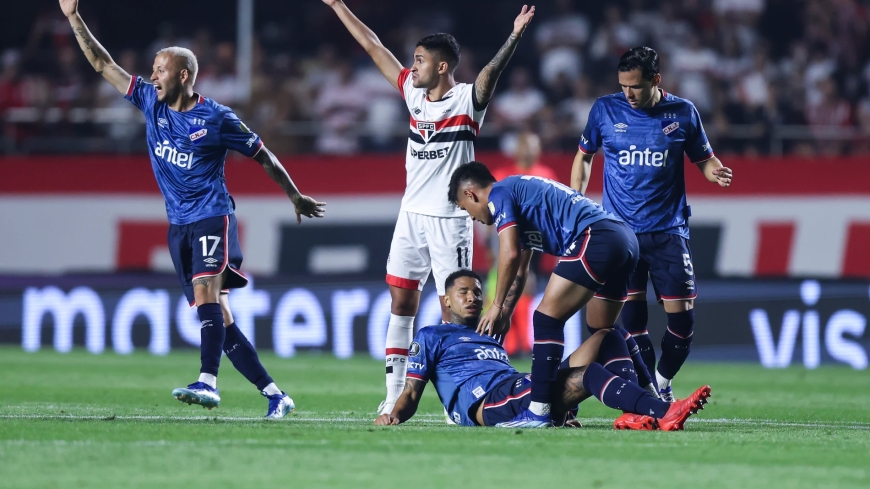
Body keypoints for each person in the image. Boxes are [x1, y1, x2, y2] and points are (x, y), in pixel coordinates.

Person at [59, 0, 325, 418]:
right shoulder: (151, 102)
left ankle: (207, 382)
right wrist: (74, 18)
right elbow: (102, 64)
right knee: (219, 316)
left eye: (159, 69)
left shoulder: (218, 118)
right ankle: (276, 394)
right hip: (178, 225)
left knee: (206, 291)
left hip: (211, 215)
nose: (151, 76)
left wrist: (295, 195)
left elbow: (263, 155)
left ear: (183, 75)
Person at [322, 0, 536, 415]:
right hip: (410, 217)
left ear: (442, 67)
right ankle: (393, 393)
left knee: (454, 311)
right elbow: (373, 46)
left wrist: (513, 36)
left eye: (420, 60)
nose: (412, 66)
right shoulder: (411, 95)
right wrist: (339, 7)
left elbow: (490, 75)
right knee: (401, 303)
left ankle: (462, 386)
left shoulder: (465, 102)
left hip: (449, 223)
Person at [570, 47, 732, 402]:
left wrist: (714, 172)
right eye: (623, 86)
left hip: (668, 232)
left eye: (636, 87)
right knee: (631, 322)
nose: (628, 94)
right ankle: (652, 392)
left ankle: (662, 378)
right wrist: (577, 201)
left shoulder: (683, 113)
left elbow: (704, 159)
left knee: (683, 321)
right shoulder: (605, 110)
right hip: (620, 235)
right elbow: (584, 157)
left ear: (656, 81)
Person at [448, 162, 657, 428]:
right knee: (604, 330)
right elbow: (521, 269)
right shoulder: (519, 195)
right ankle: (650, 399)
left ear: (470, 194)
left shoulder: (499, 194)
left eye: (466, 210)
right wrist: (507, 312)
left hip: (594, 236)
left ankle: (538, 410)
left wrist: (496, 305)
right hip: (623, 238)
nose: (472, 217)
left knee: (547, 320)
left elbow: (509, 253)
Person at [374, 270, 711, 429]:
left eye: (477, 292)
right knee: (590, 374)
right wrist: (393, 415)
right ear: (446, 300)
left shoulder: (489, 334)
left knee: (609, 335)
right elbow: (411, 391)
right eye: (463, 292)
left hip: (517, 388)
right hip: (489, 402)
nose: (473, 298)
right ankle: (660, 411)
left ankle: (636, 411)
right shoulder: (431, 335)